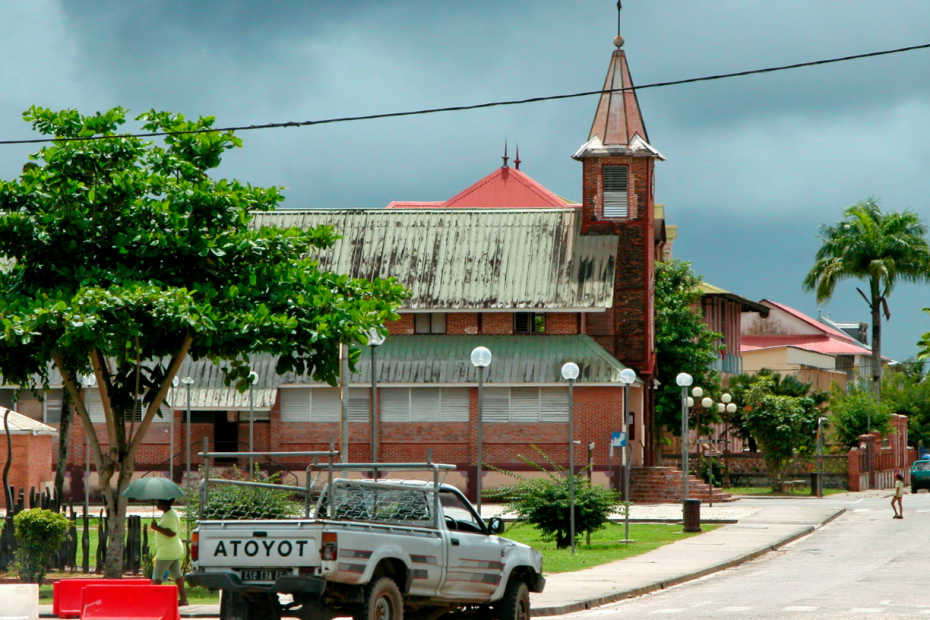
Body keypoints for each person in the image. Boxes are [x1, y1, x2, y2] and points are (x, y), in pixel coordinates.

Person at [151, 498, 190, 606]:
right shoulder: (168, 514)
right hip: (171, 549)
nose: (157, 504)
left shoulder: (170, 515)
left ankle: (152, 602)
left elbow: (171, 533)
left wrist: (157, 528)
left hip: (167, 551)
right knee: (177, 575)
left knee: (157, 576)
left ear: (165, 504)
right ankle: (183, 599)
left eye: (159, 502)